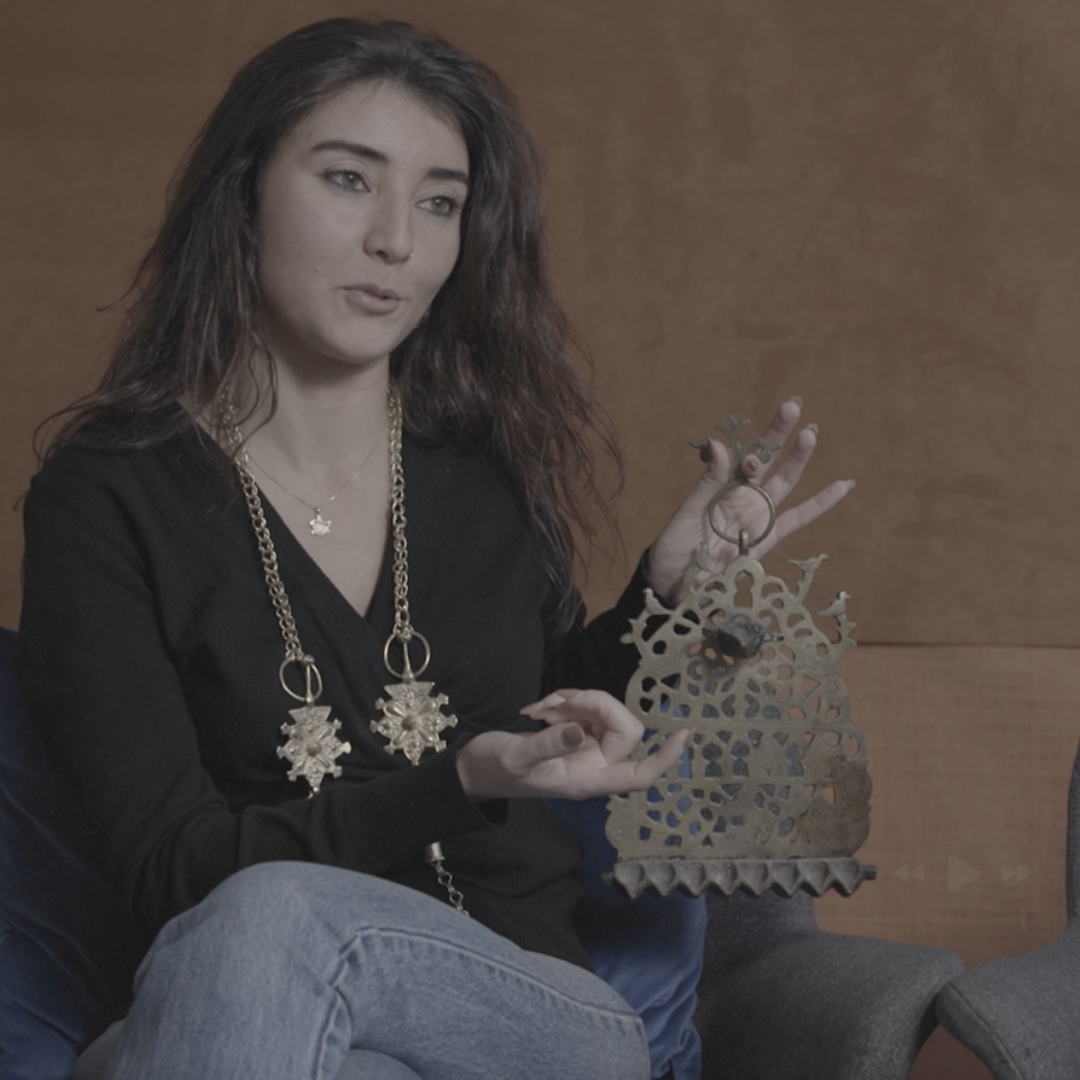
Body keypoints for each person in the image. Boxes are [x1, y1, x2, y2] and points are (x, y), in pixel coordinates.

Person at [19, 17, 853, 1080]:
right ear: (243, 191)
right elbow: (172, 872)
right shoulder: (108, 497)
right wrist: (457, 778)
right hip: (241, 1008)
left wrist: (667, 599)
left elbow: (550, 720)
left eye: (440, 202)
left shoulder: (479, 476)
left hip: (532, 1017)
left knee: (270, 921)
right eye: (349, 180)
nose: (397, 242)